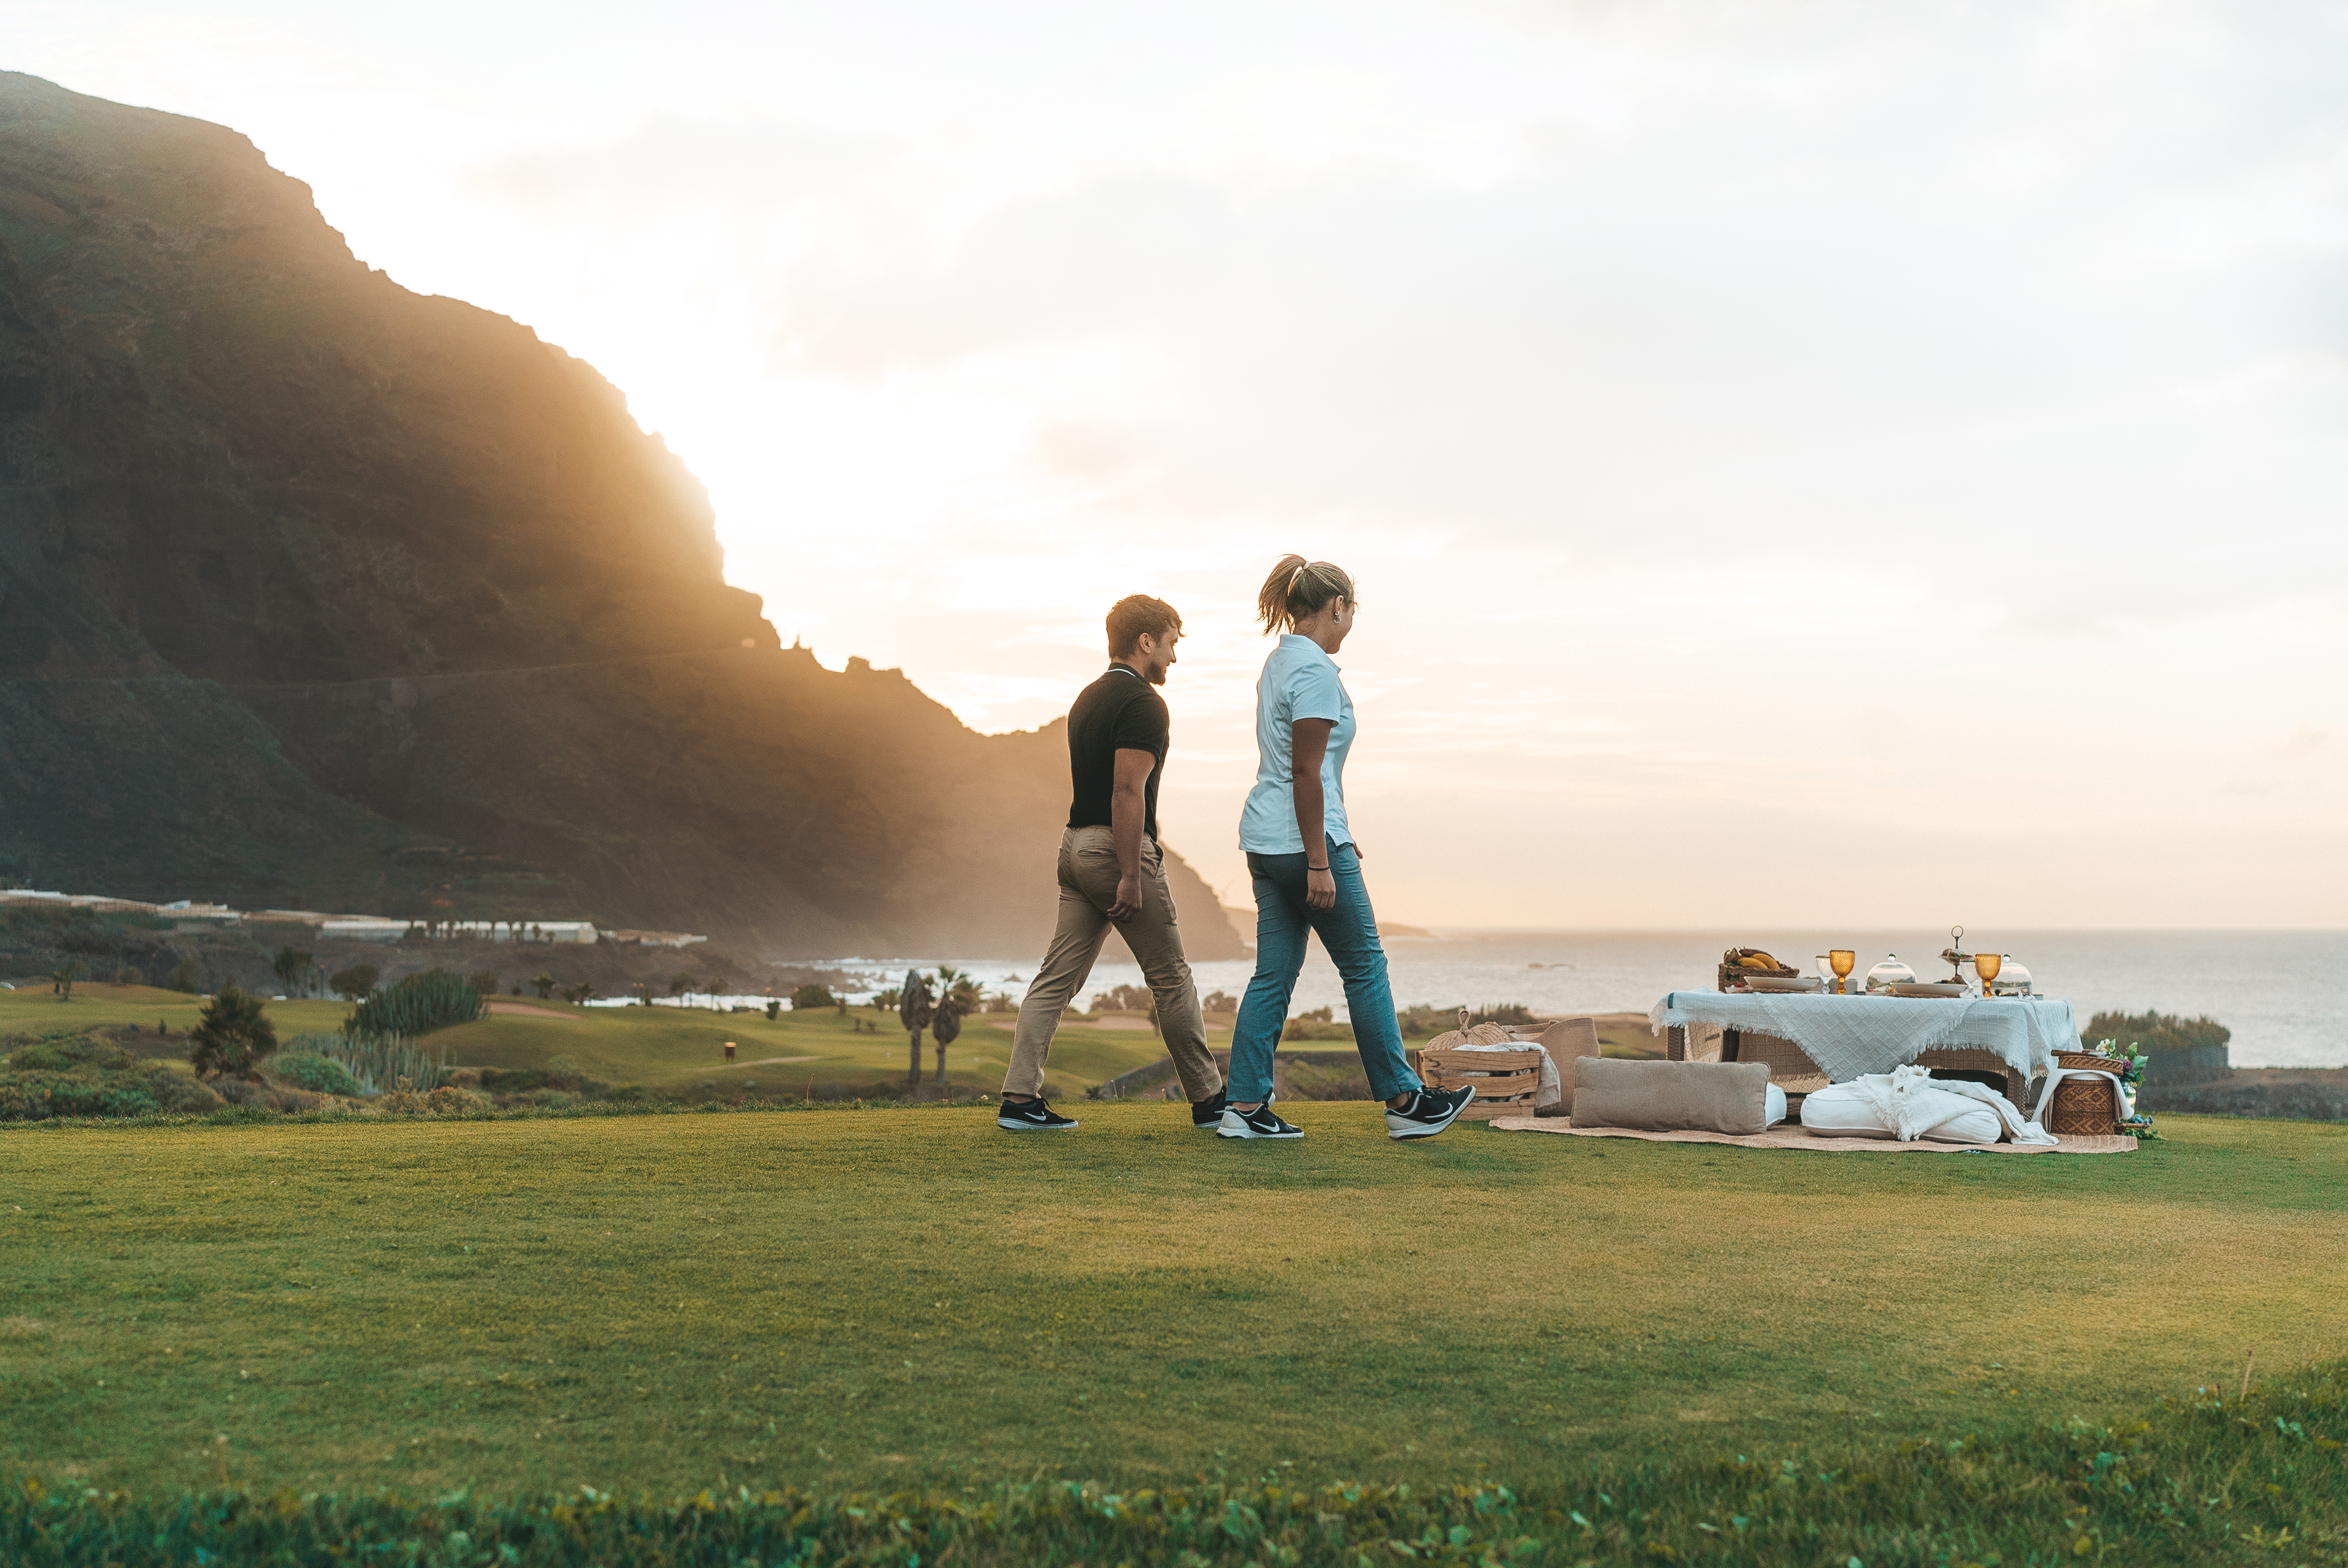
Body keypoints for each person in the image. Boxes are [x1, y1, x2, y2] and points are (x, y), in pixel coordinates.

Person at [1217, 556, 1473, 1142]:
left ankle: (1245, 1106)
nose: (1353, 615)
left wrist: (1341, 835)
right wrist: (1318, 859)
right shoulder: (1314, 672)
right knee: (1364, 965)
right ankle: (1405, 1101)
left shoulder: (1281, 661)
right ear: (1337, 606)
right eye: (1352, 607)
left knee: (1273, 974)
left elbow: (1311, 771)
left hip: (1268, 839)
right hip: (1302, 842)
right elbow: (1306, 772)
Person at [996, 595, 1228, 1133]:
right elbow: (1126, 791)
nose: (1173, 657)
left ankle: (1018, 1099)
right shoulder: (1145, 704)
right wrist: (1129, 873)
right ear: (1146, 641)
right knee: (1170, 977)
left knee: (1055, 979)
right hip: (1113, 849)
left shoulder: (1086, 699)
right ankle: (1210, 1100)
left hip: (1073, 848)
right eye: (1171, 643)